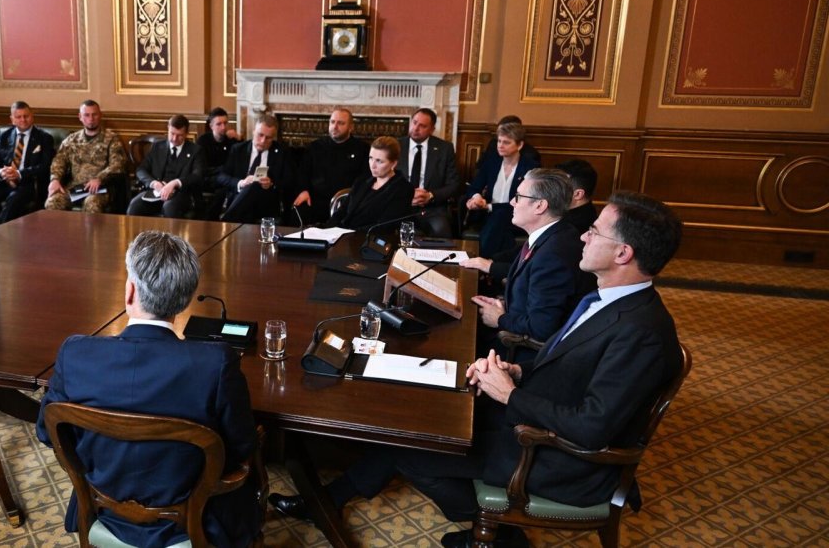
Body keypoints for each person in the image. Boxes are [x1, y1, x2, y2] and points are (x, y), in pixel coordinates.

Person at [269, 191, 684, 548]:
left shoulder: (641, 332)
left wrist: (511, 395)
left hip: (556, 457)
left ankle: (502, 534)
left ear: (623, 253)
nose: (582, 234)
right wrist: (516, 374)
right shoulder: (609, 298)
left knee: (417, 445)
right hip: (536, 413)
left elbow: (594, 427)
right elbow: (571, 365)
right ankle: (326, 500)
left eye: (593, 230)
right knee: (421, 415)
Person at [36, 231, 261, 548]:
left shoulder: (75, 355)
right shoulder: (216, 364)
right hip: (193, 522)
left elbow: (48, 434)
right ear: (184, 299)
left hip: (105, 511)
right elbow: (240, 448)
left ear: (129, 292)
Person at [468, 169, 591, 361]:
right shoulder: (552, 233)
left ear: (540, 205)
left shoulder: (554, 254)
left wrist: (499, 318)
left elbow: (542, 327)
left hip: (520, 354)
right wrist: (503, 305)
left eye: (518, 197)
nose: (511, 203)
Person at [464, 122, 537, 257]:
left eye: (506, 142)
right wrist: (476, 197)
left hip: (516, 216)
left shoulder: (529, 167)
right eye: (499, 141)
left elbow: (522, 201)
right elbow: (474, 187)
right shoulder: (492, 162)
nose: (500, 145)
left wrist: (489, 206)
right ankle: (495, 270)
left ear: (519, 145)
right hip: (488, 216)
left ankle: (483, 262)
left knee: (499, 218)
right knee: (502, 232)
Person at [45, 100, 128, 214]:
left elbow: (118, 165)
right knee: (52, 202)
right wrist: (55, 179)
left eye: (94, 114)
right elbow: (59, 162)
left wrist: (100, 178)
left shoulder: (111, 138)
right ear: (80, 116)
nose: (91, 119)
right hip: (75, 188)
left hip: (100, 190)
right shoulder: (71, 140)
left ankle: (92, 233)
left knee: (92, 203)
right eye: (87, 115)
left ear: (100, 115)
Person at [291, 108, 369, 224]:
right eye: (332, 122)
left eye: (341, 123)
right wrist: (304, 190)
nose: (335, 126)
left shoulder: (362, 149)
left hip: (347, 201)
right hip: (316, 199)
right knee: (298, 209)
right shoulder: (315, 147)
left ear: (351, 127)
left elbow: (365, 179)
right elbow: (303, 173)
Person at [396, 107, 462, 238]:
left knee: (442, 230)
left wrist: (430, 196)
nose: (416, 128)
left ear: (432, 129)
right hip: (401, 206)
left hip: (433, 208)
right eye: (414, 123)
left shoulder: (445, 148)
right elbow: (385, 178)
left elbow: (454, 184)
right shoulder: (396, 146)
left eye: (422, 126)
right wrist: (406, 196)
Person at [216, 115, 293, 224]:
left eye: (268, 137)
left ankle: (226, 221)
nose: (263, 141)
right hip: (240, 199)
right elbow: (221, 177)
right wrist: (241, 183)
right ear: (253, 131)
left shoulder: (281, 152)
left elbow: (289, 181)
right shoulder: (238, 150)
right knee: (251, 185)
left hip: (266, 203)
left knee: (255, 184)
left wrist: (271, 183)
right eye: (260, 135)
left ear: (274, 137)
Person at [127, 114, 206, 218]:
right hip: (157, 191)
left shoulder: (195, 151)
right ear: (168, 129)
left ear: (186, 134)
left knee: (169, 208)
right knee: (134, 206)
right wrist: (153, 183)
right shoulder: (157, 146)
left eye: (179, 135)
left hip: (180, 194)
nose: (174, 138)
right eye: (172, 133)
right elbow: (141, 170)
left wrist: (175, 183)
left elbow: (197, 175)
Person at [0, 101, 55, 224]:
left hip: (29, 183)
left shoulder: (44, 138)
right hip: (6, 182)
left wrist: (19, 174)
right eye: (18, 117)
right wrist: (1, 173)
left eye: (26, 116)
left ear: (32, 116)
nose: (23, 120)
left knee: (14, 199)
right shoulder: (3, 137)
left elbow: (45, 166)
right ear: (12, 119)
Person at [329, 135, 413, 230]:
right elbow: (341, 212)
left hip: (369, 240)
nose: (372, 165)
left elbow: (384, 226)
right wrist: (326, 230)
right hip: (341, 236)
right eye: (371, 158)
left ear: (393, 163)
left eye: (379, 161)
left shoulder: (403, 189)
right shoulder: (361, 181)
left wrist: (347, 233)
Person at [196, 107, 240, 219]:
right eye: (219, 124)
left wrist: (240, 139)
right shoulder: (203, 141)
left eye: (225, 123)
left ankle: (223, 219)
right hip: (208, 178)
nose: (223, 127)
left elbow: (240, 160)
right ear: (211, 126)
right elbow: (202, 168)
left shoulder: (231, 140)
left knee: (225, 190)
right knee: (226, 184)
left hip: (226, 180)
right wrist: (223, 170)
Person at [556, 158, 599, 232]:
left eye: (559, 185)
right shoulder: (584, 210)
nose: (552, 189)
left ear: (578, 194)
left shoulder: (571, 229)